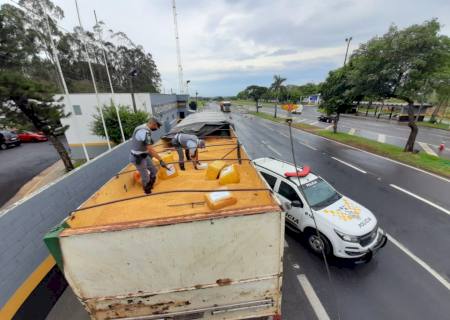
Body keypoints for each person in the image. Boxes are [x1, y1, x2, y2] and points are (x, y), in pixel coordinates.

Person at [130, 117, 168, 194]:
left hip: (144, 155)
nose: (157, 128)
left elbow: (147, 148)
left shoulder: (144, 128)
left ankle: (150, 186)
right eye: (157, 126)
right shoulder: (144, 132)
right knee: (145, 177)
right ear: (153, 124)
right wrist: (161, 160)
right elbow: (151, 149)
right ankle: (147, 192)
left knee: (154, 171)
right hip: (138, 158)